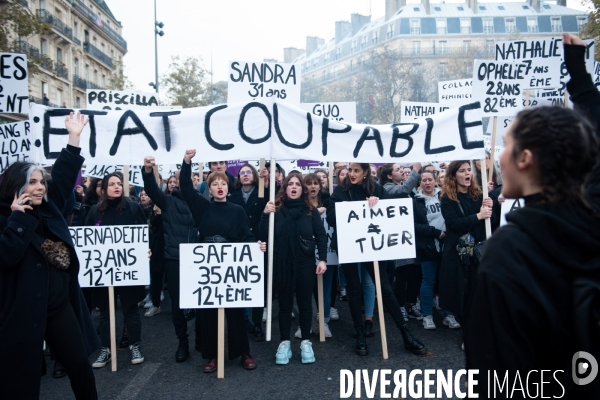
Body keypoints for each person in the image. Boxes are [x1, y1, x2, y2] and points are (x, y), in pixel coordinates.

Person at [465, 106, 600, 398]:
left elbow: (495, 376)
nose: (499, 156)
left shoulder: (511, 250)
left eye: (506, 144)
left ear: (525, 158)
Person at [0, 112, 99, 399]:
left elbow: (66, 173)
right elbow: (6, 256)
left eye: (42, 181)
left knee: (79, 364)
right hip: (19, 313)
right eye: (32, 182)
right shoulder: (5, 216)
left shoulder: (49, 205)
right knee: (21, 379)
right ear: (15, 186)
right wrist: (18, 220)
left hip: (56, 306)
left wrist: (74, 136)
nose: (40, 187)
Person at [327, 163, 426, 356]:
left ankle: (406, 334)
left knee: (384, 288)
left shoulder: (377, 189)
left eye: (357, 170)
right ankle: (360, 333)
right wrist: (342, 209)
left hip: (373, 246)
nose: (352, 174)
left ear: (365, 172)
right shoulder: (341, 191)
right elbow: (331, 218)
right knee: (354, 289)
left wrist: (378, 202)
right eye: (351, 170)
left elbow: (390, 211)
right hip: (349, 246)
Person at [179, 149, 260, 373]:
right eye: (214, 184)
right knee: (208, 314)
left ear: (227, 186)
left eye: (222, 183)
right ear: (210, 189)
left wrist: (255, 246)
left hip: (231, 266)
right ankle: (213, 356)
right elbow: (185, 188)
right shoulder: (202, 207)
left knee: (235, 312)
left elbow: (247, 236)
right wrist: (187, 162)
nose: (219, 186)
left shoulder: (237, 210)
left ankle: (243, 352)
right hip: (207, 266)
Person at [261, 174, 327, 364]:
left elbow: (321, 236)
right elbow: (263, 233)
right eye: (290, 184)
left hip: (305, 263)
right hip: (282, 263)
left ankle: (305, 341)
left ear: (302, 189)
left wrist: (322, 259)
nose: (294, 187)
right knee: (284, 305)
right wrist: (265, 214)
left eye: (298, 184)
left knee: (306, 304)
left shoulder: (310, 211)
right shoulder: (276, 209)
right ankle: (284, 342)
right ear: (285, 187)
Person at [84, 173, 147, 368]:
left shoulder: (133, 207)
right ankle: (106, 349)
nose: (116, 187)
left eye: (119, 183)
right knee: (105, 312)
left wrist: (146, 249)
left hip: (128, 269)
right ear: (104, 189)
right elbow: (86, 238)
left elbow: (144, 232)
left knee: (131, 309)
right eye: (111, 184)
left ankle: (134, 345)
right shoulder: (95, 211)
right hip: (104, 270)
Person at [141, 156, 198, 363]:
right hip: (174, 258)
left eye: (190, 179)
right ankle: (182, 342)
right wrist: (148, 171)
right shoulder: (168, 201)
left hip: (199, 259)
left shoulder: (201, 202)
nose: (186, 182)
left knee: (201, 302)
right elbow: (152, 190)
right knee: (177, 304)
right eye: (182, 178)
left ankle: (200, 338)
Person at [439, 160, 493, 337]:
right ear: (454, 175)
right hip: (457, 253)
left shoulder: (478, 194)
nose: (467, 173)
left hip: (476, 253)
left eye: (469, 170)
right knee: (462, 293)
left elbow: (486, 224)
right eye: (462, 171)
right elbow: (454, 224)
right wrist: (478, 215)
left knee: (476, 292)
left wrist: (491, 207)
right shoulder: (447, 198)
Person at [229, 163, 271, 342]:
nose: (245, 175)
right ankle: (244, 319)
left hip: (258, 242)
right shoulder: (233, 194)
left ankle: (257, 323)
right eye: (241, 173)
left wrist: (267, 181)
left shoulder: (262, 191)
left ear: (254, 175)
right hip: (239, 244)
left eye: (248, 172)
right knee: (241, 283)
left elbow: (274, 199)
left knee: (258, 285)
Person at [413, 170, 457, 330]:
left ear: (435, 181)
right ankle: (427, 316)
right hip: (427, 247)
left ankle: (449, 315)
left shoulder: (445, 197)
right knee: (428, 281)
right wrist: (435, 232)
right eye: (423, 180)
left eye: (430, 179)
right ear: (420, 183)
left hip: (448, 246)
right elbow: (414, 225)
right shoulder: (415, 202)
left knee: (447, 280)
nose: (427, 183)